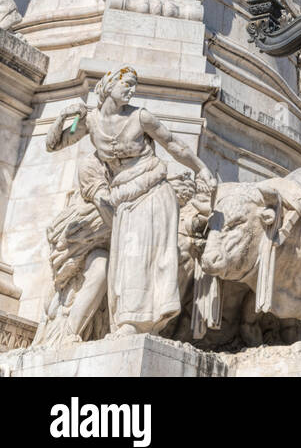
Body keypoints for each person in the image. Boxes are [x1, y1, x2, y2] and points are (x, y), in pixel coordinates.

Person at [46, 66, 217, 337]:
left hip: (152, 191)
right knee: (125, 261)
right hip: (123, 198)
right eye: (126, 84)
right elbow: (54, 145)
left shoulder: (141, 117)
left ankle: (134, 324)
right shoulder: (89, 121)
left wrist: (201, 169)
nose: (131, 89)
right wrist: (64, 117)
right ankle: (126, 322)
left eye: (134, 85)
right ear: (108, 85)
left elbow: (174, 145)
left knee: (142, 257)